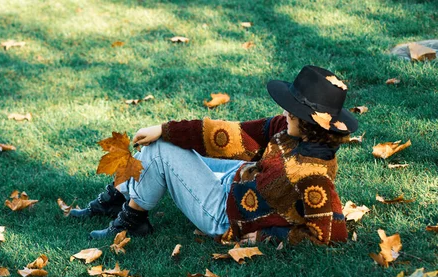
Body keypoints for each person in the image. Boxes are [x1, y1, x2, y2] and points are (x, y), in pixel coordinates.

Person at [71, 65, 359, 246]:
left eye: (291, 108)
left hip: (224, 214)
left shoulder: (313, 175)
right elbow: (232, 135)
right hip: (236, 179)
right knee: (165, 141)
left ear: (306, 119)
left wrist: (266, 237)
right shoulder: (288, 130)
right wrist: (166, 128)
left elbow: (332, 234)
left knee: (160, 151)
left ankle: (132, 219)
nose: (284, 111)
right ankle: (121, 196)